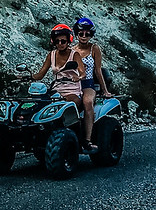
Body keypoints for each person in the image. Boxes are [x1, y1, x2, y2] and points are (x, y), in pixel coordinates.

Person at [27, 24, 97, 154]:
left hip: (72, 89)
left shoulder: (74, 54)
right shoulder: (51, 55)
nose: (60, 43)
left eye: (63, 41)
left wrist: (79, 77)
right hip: (56, 90)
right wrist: (27, 76)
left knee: (68, 104)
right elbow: (40, 74)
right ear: (53, 41)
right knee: (40, 106)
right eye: (57, 41)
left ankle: (84, 139)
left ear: (68, 40)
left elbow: (82, 71)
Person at [73, 17, 112, 152]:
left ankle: (87, 140)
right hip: (74, 84)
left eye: (87, 34)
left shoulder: (94, 48)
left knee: (88, 102)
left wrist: (104, 90)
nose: (84, 36)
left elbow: (98, 70)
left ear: (91, 35)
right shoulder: (72, 50)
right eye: (81, 33)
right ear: (76, 33)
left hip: (88, 84)